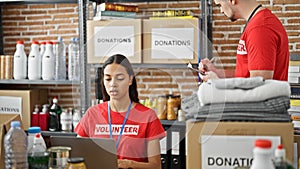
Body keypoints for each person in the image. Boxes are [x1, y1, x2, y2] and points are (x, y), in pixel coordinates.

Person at [75, 54, 166, 169]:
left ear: (130, 79)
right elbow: (77, 154)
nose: (113, 84)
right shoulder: (92, 114)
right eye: (108, 79)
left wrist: (130, 164)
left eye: (119, 78)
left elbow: (156, 166)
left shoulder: (147, 116)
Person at [199, 0, 290, 82]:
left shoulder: (260, 28)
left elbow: (258, 87)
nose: (221, 10)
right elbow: (245, 76)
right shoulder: (256, 23)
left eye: (220, 5)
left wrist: (217, 82)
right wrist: (217, 73)